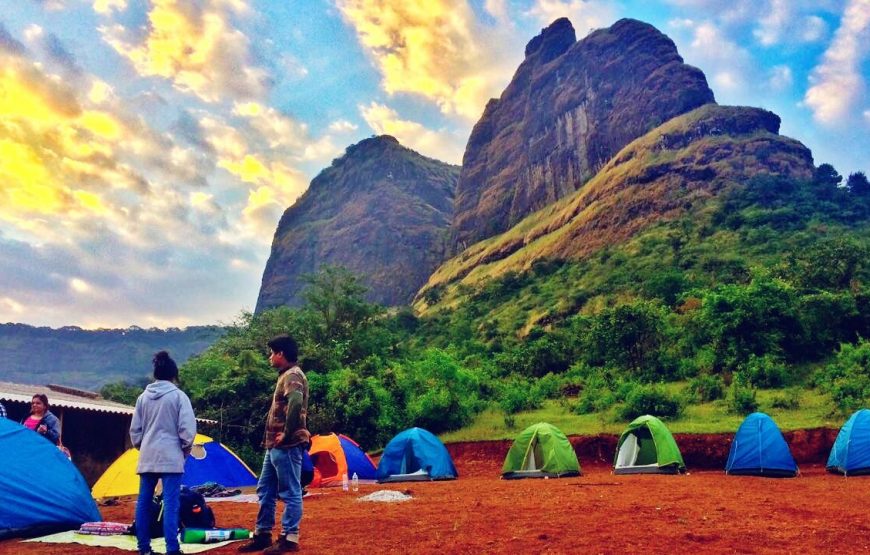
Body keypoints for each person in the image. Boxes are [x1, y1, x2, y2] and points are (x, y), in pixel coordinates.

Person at [238, 335, 309, 554]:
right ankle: (262, 535)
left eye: (272, 353)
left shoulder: (293, 375)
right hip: (275, 446)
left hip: (285, 445)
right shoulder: (286, 375)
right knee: (265, 489)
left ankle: (289, 538)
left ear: (281, 354)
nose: (270, 357)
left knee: (290, 491)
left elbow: (296, 401)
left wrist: (287, 434)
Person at [130, 351, 196, 555]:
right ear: (173, 375)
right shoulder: (178, 396)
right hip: (171, 456)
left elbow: (135, 431)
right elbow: (187, 430)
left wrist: (144, 446)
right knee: (171, 504)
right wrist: (184, 449)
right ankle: (172, 549)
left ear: (155, 375)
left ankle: (143, 548)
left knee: (144, 502)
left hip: (148, 456)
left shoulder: (143, 398)